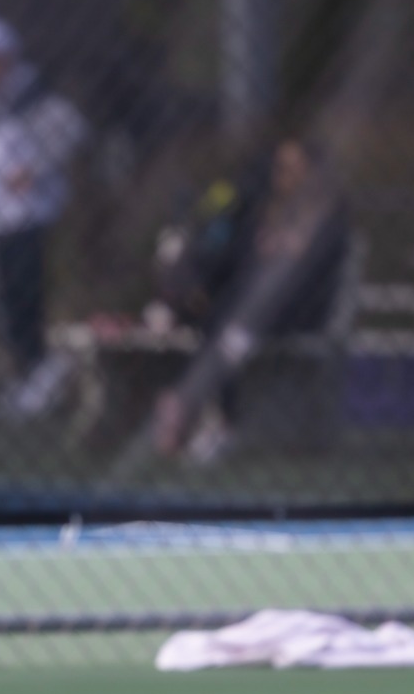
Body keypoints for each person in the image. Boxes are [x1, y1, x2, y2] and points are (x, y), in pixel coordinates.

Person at [149, 136, 350, 462]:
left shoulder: (326, 217)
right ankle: (204, 413)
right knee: (218, 314)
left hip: (299, 311)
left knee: (232, 321)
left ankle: (208, 414)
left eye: (293, 168)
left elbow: (315, 279)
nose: (283, 175)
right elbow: (238, 261)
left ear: (313, 172)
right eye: (280, 167)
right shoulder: (263, 209)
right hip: (249, 313)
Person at [0, 16, 87, 416]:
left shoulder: (32, 95)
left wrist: (35, 167)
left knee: (22, 298)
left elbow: (72, 130)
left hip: (29, 216)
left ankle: (38, 372)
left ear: (6, 57)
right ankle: (30, 371)